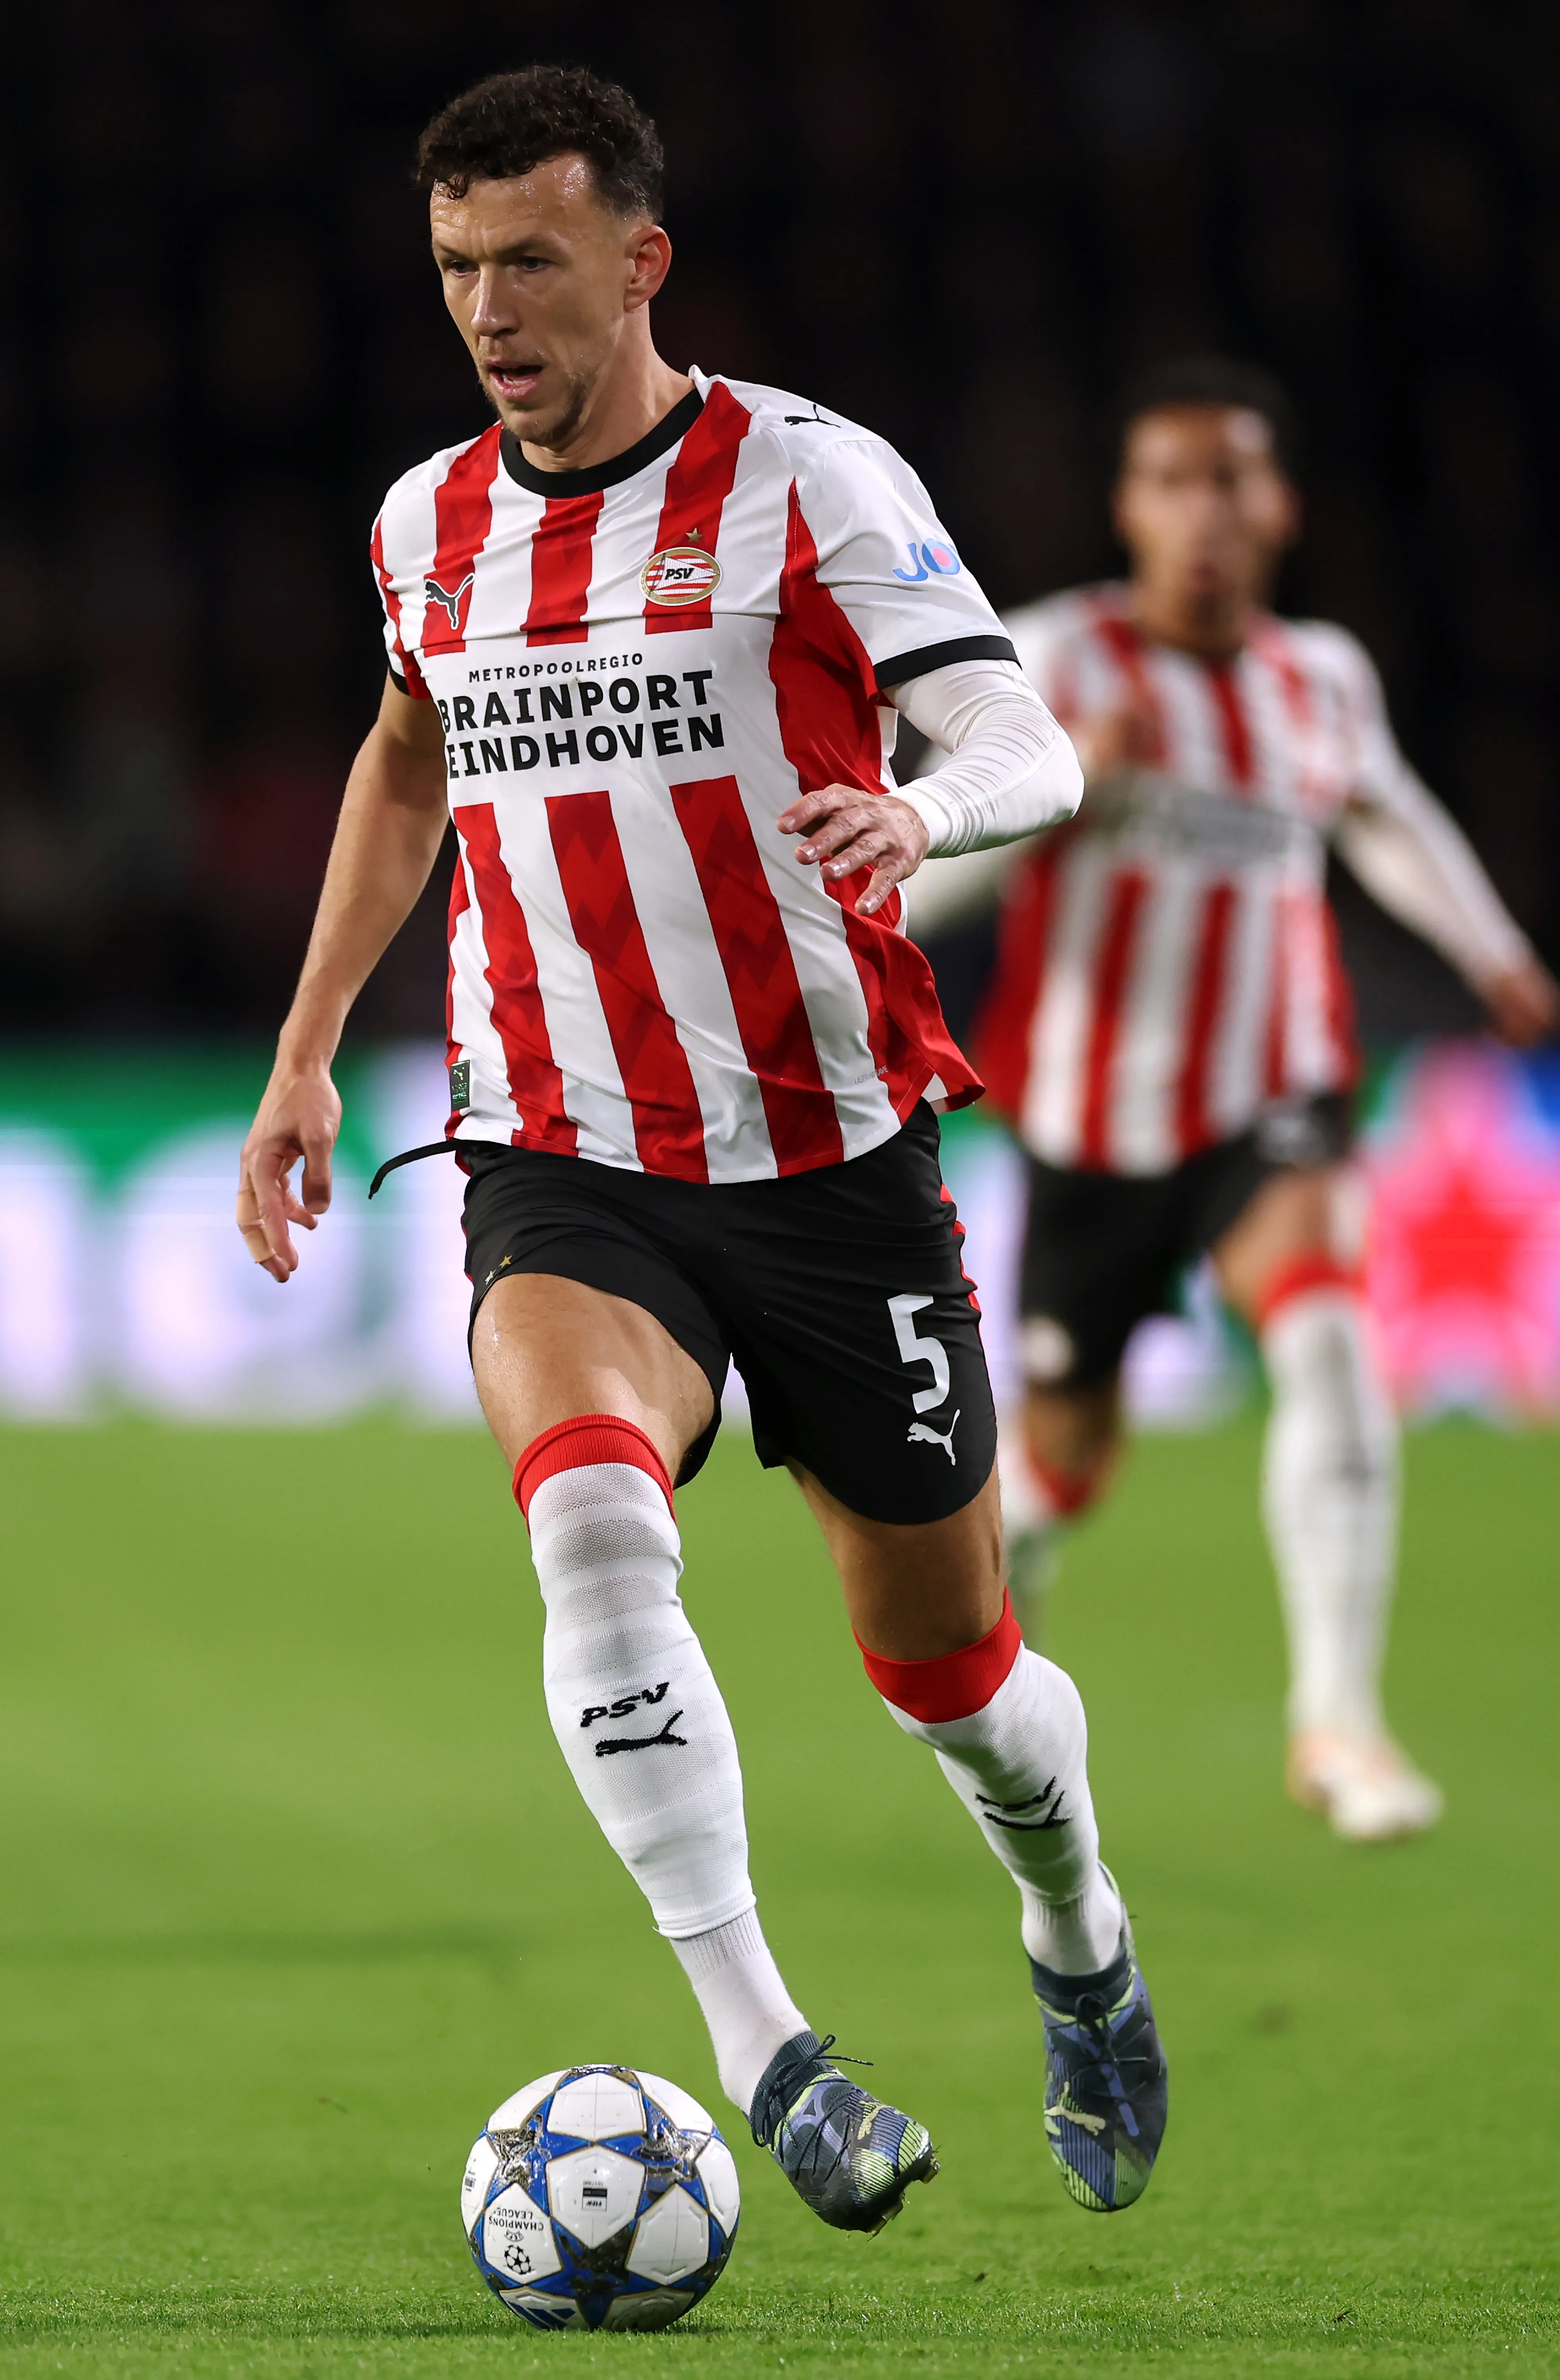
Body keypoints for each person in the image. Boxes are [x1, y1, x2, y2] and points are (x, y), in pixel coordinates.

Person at [235, 65, 1167, 2228]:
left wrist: (926, 810)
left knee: (960, 1689)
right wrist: (305, 1050)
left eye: (531, 261)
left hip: (834, 1163)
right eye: (459, 266)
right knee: (589, 1533)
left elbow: (1019, 727)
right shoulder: (421, 526)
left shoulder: (811, 482)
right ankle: (770, 2051)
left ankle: (1079, 1934)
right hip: (562, 1155)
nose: (489, 306)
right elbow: (407, 758)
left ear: (640, 263)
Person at [906, 357, 1560, 1844]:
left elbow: (1384, 811)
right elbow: (919, 865)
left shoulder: (1319, 677)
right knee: (1062, 1462)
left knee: (1333, 1342)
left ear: (1278, 505)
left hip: (1275, 1097)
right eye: (1173, 480)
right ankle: (993, 1680)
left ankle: (1337, 1721)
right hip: (1090, 1126)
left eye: (1232, 478)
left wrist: (1492, 951)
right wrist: (1060, 787)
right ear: (1129, 507)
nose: (1205, 510)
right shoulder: (1051, 664)